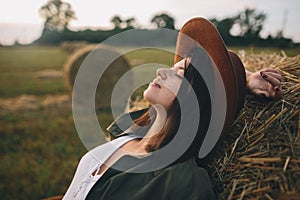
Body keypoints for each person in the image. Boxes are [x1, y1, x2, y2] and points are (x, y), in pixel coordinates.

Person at [61, 17, 282, 200]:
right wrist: (244, 78)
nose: (160, 71)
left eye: (180, 74)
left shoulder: (181, 183)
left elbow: (215, 95)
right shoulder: (129, 131)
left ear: (196, 99)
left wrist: (233, 86)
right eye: (171, 68)